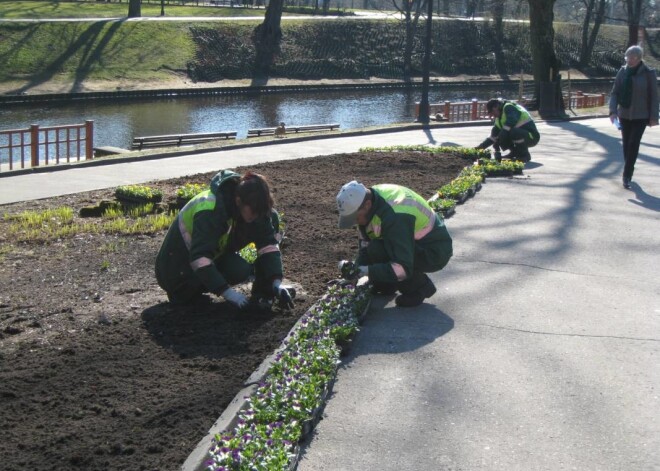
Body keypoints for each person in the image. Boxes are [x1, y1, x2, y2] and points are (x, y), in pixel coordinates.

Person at [155, 169, 294, 310]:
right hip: (175, 269)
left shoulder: (250, 209)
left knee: (240, 268)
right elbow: (200, 258)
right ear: (239, 201)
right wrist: (228, 293)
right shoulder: (210, 209)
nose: (256, 215)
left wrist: (276, 283)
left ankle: (264, 294)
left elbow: (268, 245)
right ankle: (187, 291)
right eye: (253, 211)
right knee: (189, 296)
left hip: (209, 257)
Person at [336, 181, 453, 308]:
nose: (355, 222)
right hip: (412, 242)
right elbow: (365, 246)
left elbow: (402, 267)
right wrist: (354, 274)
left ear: (367, 205)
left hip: (434, 250)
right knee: (375, 248)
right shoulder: (370, 200)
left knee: (380, 250)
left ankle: (420, 287)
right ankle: (386, 285)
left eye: (356, 218)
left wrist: (366, 270)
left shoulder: (395, 216)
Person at [609, 45, 658, 189]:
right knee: (626, 145)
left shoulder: (649, 73)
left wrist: (654, 117)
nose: (628, 60)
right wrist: (613, 111)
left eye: (632, 58)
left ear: (639, 58)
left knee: (633, 144)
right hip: (624, 115)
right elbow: (614, 93)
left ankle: (627, 174)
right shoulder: (622, 72)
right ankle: (629, 167)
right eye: (627, 57)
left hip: (641, 116)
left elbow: (654, 97)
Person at [475, 98, 540, 162]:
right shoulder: (499, 119)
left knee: (511, 132)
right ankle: (514, 152)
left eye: (492, 111)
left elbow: (512, 120)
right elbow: (493, 137)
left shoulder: (509, 107)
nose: (492, 115)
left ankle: (524, 155)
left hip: (532, 136)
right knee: (503, 134)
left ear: (497, 106)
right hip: (522, 135)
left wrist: (502, 133)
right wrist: (479, 149)